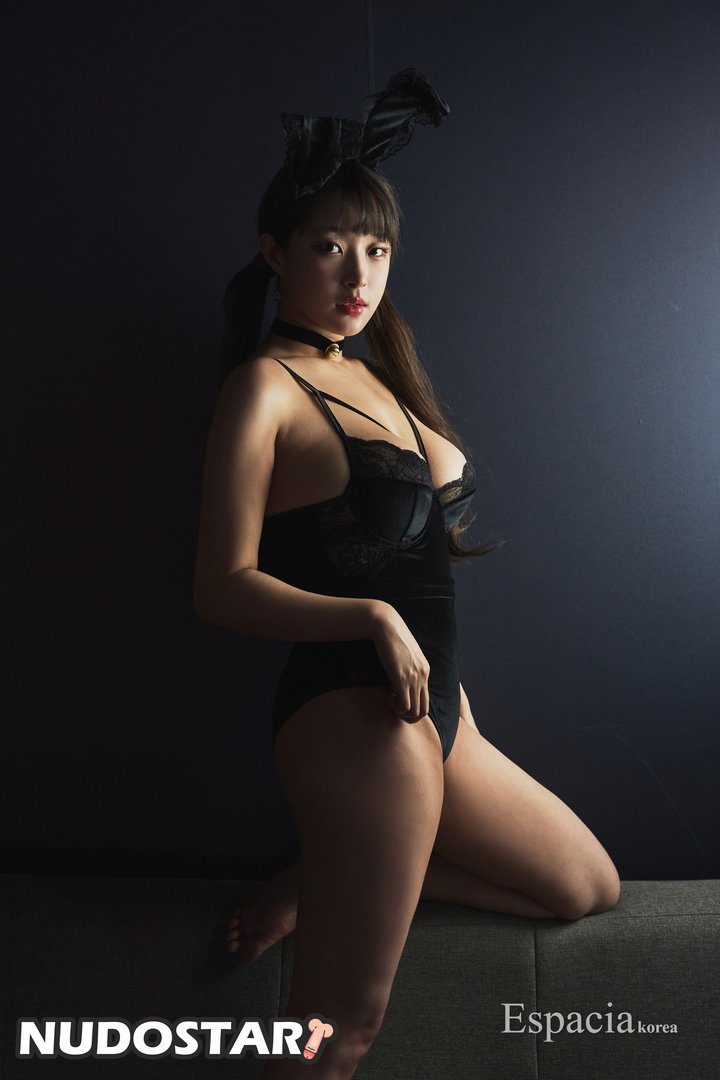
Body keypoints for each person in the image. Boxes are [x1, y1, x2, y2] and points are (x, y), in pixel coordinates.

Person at [193, 69, 620, 1080]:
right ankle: (343, 876)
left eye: (377, 249)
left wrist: (437, 675)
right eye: (330, 245)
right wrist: (373, 619)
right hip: (356, 713)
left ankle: (330, 881)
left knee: (583, 887)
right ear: (275, 252)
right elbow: (220, 586)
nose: (359, 272)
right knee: (337, 1039)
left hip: (441, 712)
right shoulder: (265, 389)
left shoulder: (380, 374)